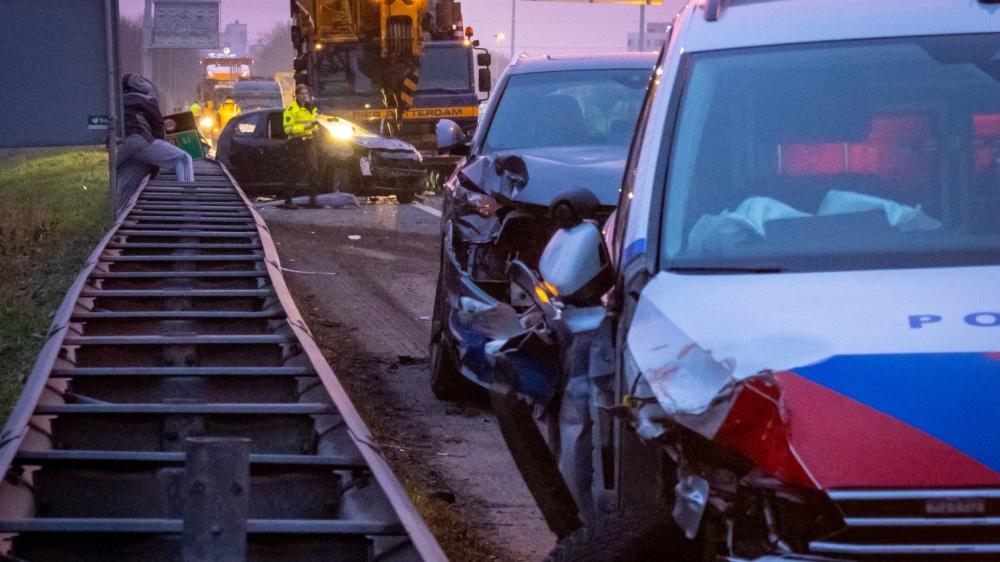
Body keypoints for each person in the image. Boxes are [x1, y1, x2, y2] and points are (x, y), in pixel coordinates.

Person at [117, 74, 194, 212]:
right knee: (183, 159)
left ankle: (116, 220)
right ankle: (189, 206)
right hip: (138, 139)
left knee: (126, 187)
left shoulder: (114, 102)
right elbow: (158, 131)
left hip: (117, 146)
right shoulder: (148, 100)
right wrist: (156, 164)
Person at [281, 84, 324, 208]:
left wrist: (315, 130)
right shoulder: (290, 110)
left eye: (306, 93)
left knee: (314, 170)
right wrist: (305, 127)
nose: (305, 96)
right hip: (295, 143)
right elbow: (288, 129)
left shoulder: (311, 108)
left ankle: (313, 200)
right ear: (296, 95)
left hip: (308, 143)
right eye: (302, 94)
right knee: (294, 172)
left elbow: (315, 123)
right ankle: (288, 201)